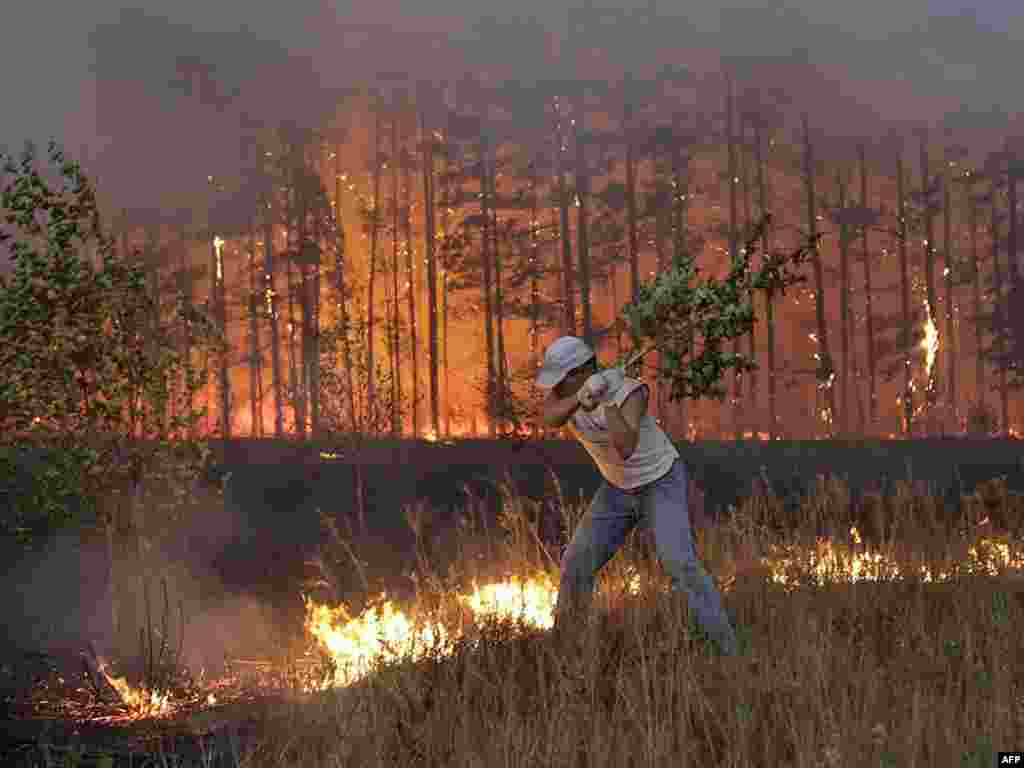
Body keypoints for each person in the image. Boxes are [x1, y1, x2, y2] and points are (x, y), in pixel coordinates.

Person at [536, 335, 739, 656]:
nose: (556, 387)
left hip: (660, 481)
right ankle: (565, 651)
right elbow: (549, 416)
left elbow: (626, 447)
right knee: (576, 562)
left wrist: (606, 402)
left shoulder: (630, 392)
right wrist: (580, 396)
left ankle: (728, 650)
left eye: (562, 379)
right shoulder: (567, 393)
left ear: (579, 370)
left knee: (680, 564)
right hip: (616, 488)